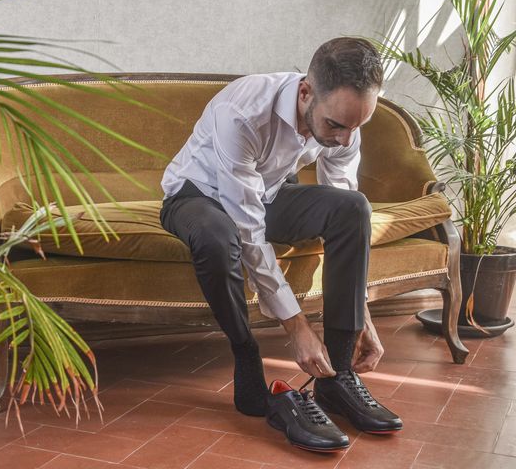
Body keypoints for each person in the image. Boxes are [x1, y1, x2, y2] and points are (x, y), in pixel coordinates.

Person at [158, 37, 402, 442]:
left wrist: (362, 319)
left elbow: (340, 192)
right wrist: (296, 327)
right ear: (306, 91)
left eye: (356, 127)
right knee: (219, 238)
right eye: (336, 126)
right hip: (196, 195)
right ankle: (244, 352)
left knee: (353, 207)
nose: (344, 139)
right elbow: (247, 229)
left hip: (265, 193)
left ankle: (337, 376)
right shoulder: (242, 112)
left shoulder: (346, 124)